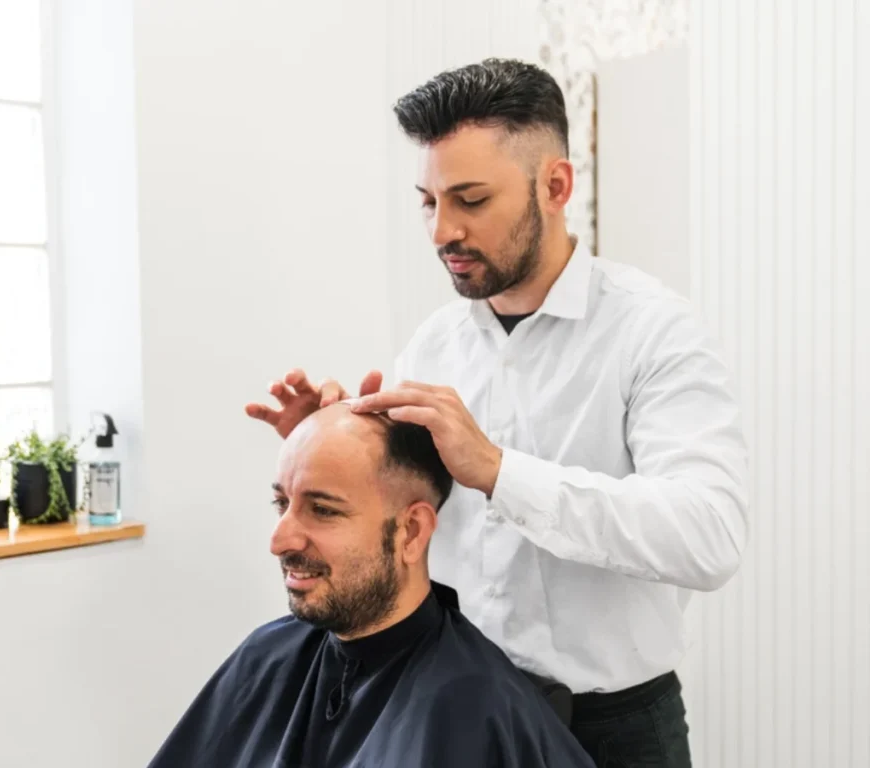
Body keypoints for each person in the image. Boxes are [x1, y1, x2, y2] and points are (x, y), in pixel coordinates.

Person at [246, 58, 748, 767]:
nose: (441, 230)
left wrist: (500, 472)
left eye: (471, 200)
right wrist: (331, 444)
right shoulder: (431, 345)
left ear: (556, 185)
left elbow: (710, 537)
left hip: (615, 734)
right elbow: (403, 520)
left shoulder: (653, 332)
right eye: (428, 201)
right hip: (456, 717)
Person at [148, 404, 595, 768]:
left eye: (323, 510)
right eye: (282, 502)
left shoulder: (476, 707)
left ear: (411, 532)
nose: (279, 540)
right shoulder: (266, 655)